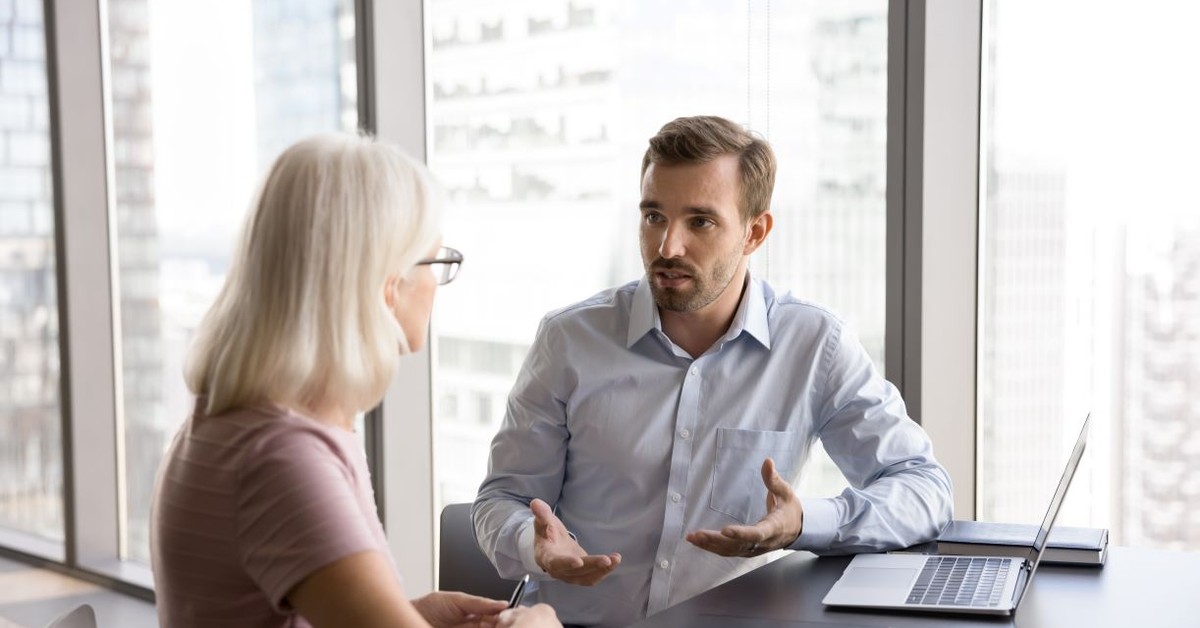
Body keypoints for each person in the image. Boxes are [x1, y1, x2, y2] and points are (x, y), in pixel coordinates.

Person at [472, 116, 954, 627]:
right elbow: (502, 498)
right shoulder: (569, 340)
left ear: (755, 232)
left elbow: (924, 488)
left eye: (699, 222)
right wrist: (535, 545)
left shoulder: (815, 346)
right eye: (653, 216)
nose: (667, 247)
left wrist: (803, 523)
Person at [151, 133, 559, 628]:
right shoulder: (282, 458)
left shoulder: (244, 422)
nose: (436, 282)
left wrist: (409, 616)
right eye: (434, 259)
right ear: (388, 287)